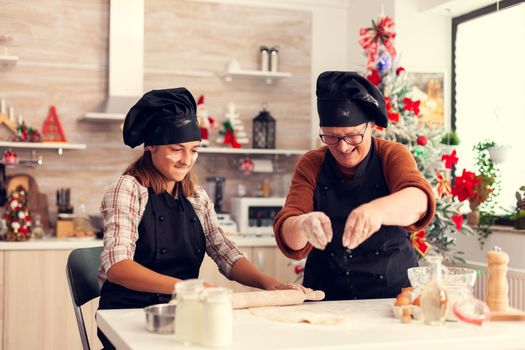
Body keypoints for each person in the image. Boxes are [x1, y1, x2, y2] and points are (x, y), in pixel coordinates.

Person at [97, 88, 307, 347]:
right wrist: (189, 288)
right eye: (176, 149)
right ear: (150, 146)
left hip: (183, 317)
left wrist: (270, 285)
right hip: (127, 319)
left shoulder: (195, 196)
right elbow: (118, 268)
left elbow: (224, 251)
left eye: (194, 150)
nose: (187, 160)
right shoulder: (129, 189)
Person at [274, 71, 436, 301]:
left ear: (370, 126)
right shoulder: (312, 163)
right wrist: (302, 224)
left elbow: (418, 201)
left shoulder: (392, 154)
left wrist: (377, 211)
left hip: (392, 298)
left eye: (352, 136)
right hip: (326, 298)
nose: (342, 147)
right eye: (330, 137)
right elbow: (288, 230)